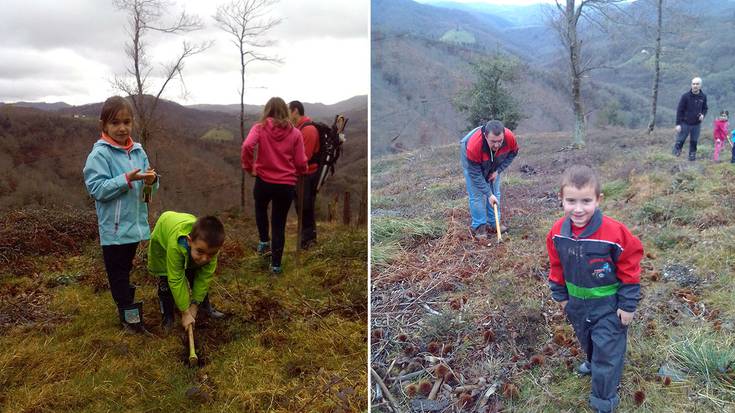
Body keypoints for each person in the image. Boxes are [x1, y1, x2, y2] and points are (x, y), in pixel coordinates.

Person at [546, 165, 644, 413]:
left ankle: (603, 400)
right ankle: (591, 361)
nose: (578, 209)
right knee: (587, 339)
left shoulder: (614, 232)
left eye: (586, 201)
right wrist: (560, 294)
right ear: (561, 199)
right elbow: (556, 265)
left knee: (608, 351)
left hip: (608, 306)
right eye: (571, 201)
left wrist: (627, 304)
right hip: (576, 304)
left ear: (598, 200)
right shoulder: (557, 234)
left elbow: (630, 265)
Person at [83, 96, 158, 334]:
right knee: (117, 273)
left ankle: (126, 308)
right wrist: (126, 179)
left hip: (134, 225)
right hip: (114, 229)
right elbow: (96, 189)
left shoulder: (137, 151)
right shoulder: (100, 155)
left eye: (127, 122)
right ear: (104, 124)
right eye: (115, 123)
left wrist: (152, 181)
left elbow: (148, 189)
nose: (122, 128)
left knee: (124, 270)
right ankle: (131, 319)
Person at [242, 97, 308, 274]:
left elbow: (247, 146)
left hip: (263, 180)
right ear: (286, 112)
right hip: (285, 184)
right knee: (279, 223)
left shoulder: (260, 128)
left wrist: (250, 168)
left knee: (260, 208)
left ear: (267, 110)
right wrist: (302, 170)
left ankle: (264, 242)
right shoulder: (295, 134)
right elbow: (301, 161)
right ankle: (276, 267)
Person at [148, 211, 225, 332]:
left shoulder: (210, 248)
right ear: (189, 241)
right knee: (166, 280)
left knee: (196, 275)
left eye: (211, 254)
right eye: (200, 251)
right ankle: (167, 316)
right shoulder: (174, 246)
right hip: (163, 236)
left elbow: (204, 278)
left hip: (184, 227)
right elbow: (176, 279)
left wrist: (193, 306)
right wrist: (185, 312)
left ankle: (203, 308)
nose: (205, 258)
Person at [460, 119, 519, 238]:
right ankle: (480, 227)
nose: (497, 145)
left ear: (504, 135)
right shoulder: (473, 146)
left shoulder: (509, 137)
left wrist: (498, 171)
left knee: (495, 193)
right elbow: (475, 174)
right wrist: (488, 193)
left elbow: (513, 153)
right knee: (477, 196)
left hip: (494, 163)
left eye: (500, 141)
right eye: (493, 141)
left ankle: (494, 223)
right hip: (474, 164)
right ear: (486, 136)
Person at [289, 100, 320, 249]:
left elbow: (304, 157)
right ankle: (306, 239)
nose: (288, 116)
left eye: (289, 112)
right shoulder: (299, 129)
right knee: (301, 207)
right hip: (300, 175)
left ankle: (309, 241)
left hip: (306, 175)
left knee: (305, 207)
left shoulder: (307, 130)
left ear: (295, 111)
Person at [673, 77, 708, 161]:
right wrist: (678, 124)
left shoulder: (703, 96)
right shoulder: (685, 96)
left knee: (694, 142)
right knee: (680, 141)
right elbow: (679, 110)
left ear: (700, 85)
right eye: (693, 84)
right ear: (691, 85)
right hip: (685, 123)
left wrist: (703, 115)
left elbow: (705, 108)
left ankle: (692, 158)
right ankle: (674, 157)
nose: (695, 86)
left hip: (696, 124)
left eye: (697, 84)